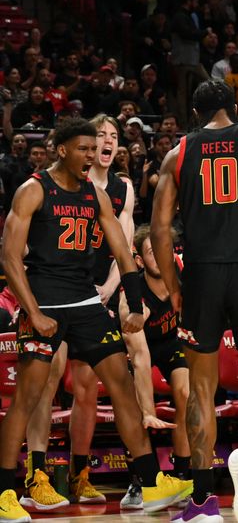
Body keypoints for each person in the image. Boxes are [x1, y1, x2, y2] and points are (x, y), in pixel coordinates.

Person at [0, 118, 191, 522]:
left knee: (121, 383)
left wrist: (135, 305)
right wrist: (33, 312)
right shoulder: (34, 190)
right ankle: (4, 492)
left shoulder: (96, 194)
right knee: (30, 395)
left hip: (86, 301)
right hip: (45, 301)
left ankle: (151, 481)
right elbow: (9, 256)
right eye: (83, 148)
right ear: (62, 149)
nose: (91, 155)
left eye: (95, 148)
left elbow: (124, 253)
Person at [151, 80, 238, 522]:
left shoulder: (177, 154)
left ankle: (202, 501)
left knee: (200, 388)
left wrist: (175, 284)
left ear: (195, 113)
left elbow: (158, 229)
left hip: (202, 273)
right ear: (235, 107)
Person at [23, 114, 137, 509]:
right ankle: (35, 475)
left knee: (90, 388)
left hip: (97, 291)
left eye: (112, 136)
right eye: (97, 136)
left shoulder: (121, 187)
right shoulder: (51, 186)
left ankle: (80, 474)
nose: (104, 142)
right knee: (47, 379)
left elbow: (124, 246)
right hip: (58, 290)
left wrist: (112, 289)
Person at [117, 225, 192, 509]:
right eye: (151, 252)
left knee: (187, 394)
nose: (160, 257)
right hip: (140, 350)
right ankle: (139, 482)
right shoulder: (133, 298)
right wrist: (148, 411)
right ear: (139, 261)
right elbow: (140, 357)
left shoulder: (185, 273)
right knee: (135, 408)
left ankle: (184, 476)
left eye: (164, 250)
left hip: (172, 342)